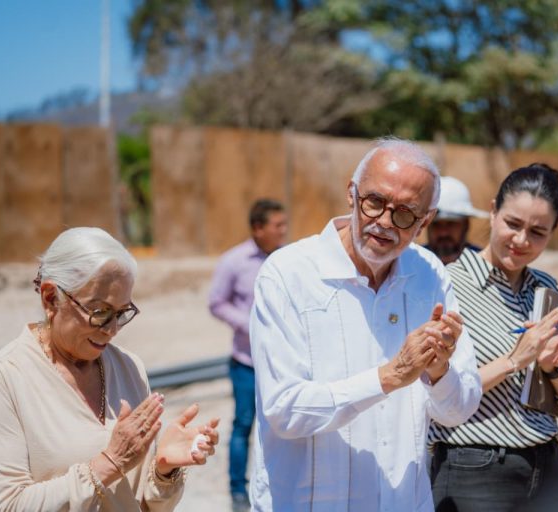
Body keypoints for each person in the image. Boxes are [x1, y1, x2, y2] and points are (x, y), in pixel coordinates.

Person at [248, 137, 482, 511]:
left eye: (405, 213)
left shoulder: (429, 274)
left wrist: (439, 370)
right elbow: (284, 411)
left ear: (426, 220)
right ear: (352, 194)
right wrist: (389, 377)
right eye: (374, 202)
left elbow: (457, 409)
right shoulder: (288, 274)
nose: (384, 222)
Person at [0, 227, 220, 511]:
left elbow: (142, 503)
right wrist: (109, 463)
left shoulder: (128, 367)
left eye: (122, 313)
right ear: (51, 298)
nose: (112, 330)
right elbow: (6, 505)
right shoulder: (5, 379)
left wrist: (163, 470)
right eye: (100, 312)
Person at [429, 164, 558, 511]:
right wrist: (514, 360)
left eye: (537, 231)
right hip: (472, 469)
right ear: (492, 212)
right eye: (513, 224)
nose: (521, 240)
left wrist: (553, 367)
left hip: (547, 466)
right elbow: (433, 394)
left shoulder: (546, 289)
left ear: (554, 231)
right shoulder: (446, 285)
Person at [208, 198, 287, 511]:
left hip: (280, 363)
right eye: (277, 225)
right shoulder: (233, 261)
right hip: (246, 363)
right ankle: (237, 492)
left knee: (281, 426)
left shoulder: (287, 259)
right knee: (243, 425)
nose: (283, 231)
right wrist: (249, 324)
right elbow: (216, 302)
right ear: (258, 228)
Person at [425, 176, 488, 264]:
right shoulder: (409, 262)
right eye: (436, 224)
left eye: (451, 224)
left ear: (466, 225)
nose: (443, 233)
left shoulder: (484, 266)